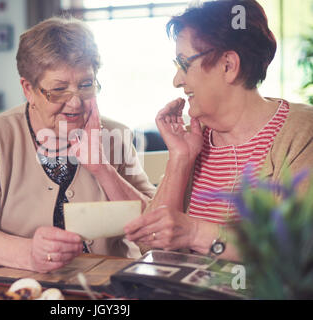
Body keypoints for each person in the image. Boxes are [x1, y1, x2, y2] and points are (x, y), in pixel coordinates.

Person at [0, 17, 156, 273]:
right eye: (58, 90)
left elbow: (156, 231)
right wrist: (30, 254)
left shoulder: (117, 135)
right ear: (28, 89)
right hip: (24, 285)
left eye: (86, 85)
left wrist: (103, 168)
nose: (76, 103)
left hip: (111, 285)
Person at [125, 0, 313, 262]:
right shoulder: (193, 139)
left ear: (228, 65)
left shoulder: (302, 131)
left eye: (184, 64)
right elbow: (151, 248)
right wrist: (180, 159)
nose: (177, 80)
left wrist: (195, 233)